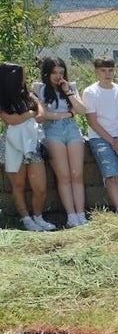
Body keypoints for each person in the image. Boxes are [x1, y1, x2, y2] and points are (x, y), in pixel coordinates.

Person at [33, 56, 89, 226]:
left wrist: (68, 91)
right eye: (54, 73)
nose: (58, 76)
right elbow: (43, 115)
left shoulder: (70, 87)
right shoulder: (39, 88)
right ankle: (71, 216)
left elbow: (81, 109)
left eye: (61, 72)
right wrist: (67, 114)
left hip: (72, 130)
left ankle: (81, 214)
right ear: (47, 73)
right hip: (52, 131)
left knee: (77, 174)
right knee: (63, 175)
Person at [1, 62, 53, 231]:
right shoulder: (2, 98)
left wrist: (29, 115)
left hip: (32, 144)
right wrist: (29, 114)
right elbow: (10, 120)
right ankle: (26, 219)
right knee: (18, 186)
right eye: (22, 74)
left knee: (40, 187)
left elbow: (41, 115)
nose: (25, 77)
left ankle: (38, 217)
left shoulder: (30, 95)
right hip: (13, 145)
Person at [83, 56, 118, 217]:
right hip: (101, 137)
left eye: (110, 70)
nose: (107, 74)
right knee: (112, 175)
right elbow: (92, 121)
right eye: (103, 70)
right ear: (97, 72)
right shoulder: (90, 92)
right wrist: (113, 142)